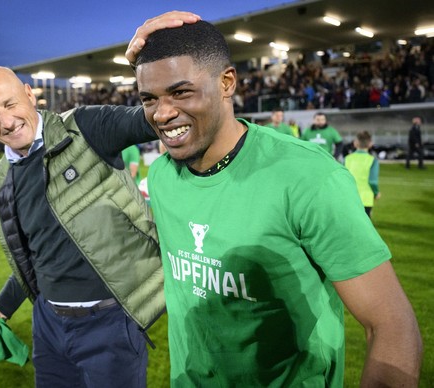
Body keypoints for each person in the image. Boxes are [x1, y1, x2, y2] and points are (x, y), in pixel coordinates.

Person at [127, 13, 422, 387]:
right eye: (149, 98)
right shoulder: (164, 176)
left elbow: (391, 325)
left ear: (227, 83)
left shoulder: (308, 178)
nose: (163, 112)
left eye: (181, 92)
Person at [0, 64, 179, 387]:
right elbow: (36, 253)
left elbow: (155, 118)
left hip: (110, 323)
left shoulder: (85, 128)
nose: (6, 122)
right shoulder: (2, 182)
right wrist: (2, 306)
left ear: (28, 94)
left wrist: (156, 55)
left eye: (9, 105)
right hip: (48, 327)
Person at [344, 131, 381, 218]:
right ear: (370, 144)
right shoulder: (373, 160)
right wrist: (376, 193)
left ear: (355, 143)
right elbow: (373, 182)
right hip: (365, 199)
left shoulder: (347, 159)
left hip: (348, 198)